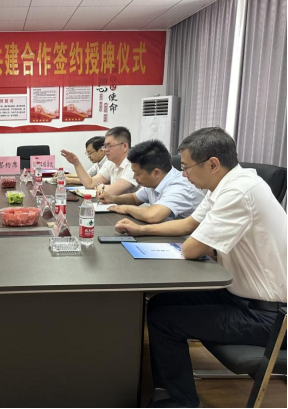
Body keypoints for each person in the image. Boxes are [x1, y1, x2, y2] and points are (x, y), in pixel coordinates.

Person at [115, 127, 287, 408]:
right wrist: (140, 229)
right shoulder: (225, 184)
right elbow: (187, 224)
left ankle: (181, 402)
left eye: (186, 167)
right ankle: (167, 387)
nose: (183, 174)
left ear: (213, 164)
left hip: (269, 316)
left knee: (166, 320)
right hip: (241, 296)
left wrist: (199, 242)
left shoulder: (238, 192)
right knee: (160, 304)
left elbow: (191, 248)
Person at [100, 139, 205, 223]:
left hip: (184, 240)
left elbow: (152, 215)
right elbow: (134, 198)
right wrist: (112, 199)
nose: (134, 177)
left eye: (137, 174)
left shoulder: (180, 186)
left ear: (156, 172)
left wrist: (125, 208)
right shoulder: (155, 182)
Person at [61, 126, 138, 195]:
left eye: (109, 146)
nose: (105, 150)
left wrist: (98, 185)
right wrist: (76, 163)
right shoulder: (111, 164)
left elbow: (110, 191)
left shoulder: (133, 166)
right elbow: (90, 183)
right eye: (105, 146)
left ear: (124, 146)